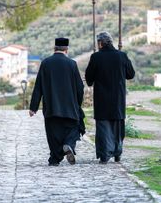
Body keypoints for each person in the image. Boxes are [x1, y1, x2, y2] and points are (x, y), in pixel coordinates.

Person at [29, 37, 84, 166]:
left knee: (53, 134)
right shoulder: (72, 64)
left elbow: (39, 86)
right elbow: (80, 88)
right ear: (67, 49)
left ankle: (54, 159)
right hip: (70, 107)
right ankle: (68, 145)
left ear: (55, 48)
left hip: (51, 107)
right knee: (73, 129)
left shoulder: (46, 63)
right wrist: (77, 104)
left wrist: (33, 107)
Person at [85, 31, 135, 164]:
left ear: (100, 43)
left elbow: (89, 78)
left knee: (103, 126)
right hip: (118, 98)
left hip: (101, 98)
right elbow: (131, 74)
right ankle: (117, 152)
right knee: (118, 125)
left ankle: (104, 154)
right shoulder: (122, 56)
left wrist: (93, 80)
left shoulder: (96, 57)